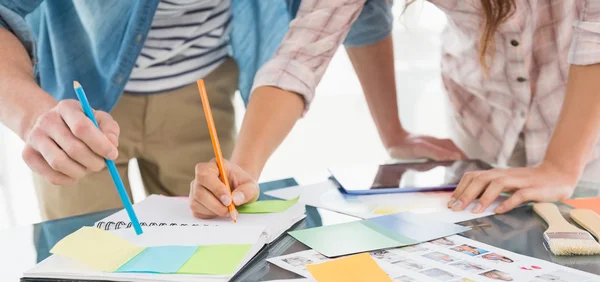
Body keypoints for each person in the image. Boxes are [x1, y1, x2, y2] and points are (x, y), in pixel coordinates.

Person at [190, 0, 600, 219]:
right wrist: (242, 171)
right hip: (483, 113)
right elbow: (303, 50)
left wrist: (561, 166)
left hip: (586, 118)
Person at [0, 0, 377, 220]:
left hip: (203, 94)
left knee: (211, 244)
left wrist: (241, 171)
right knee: (88, 272)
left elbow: (337, 20)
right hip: (73, 105)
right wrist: (33, 114)